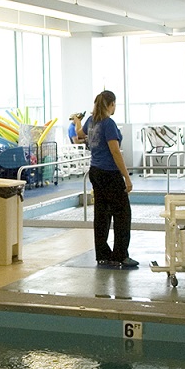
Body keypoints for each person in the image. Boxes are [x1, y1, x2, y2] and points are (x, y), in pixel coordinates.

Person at [76, 91, 137, 268]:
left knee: (101, 215)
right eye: (114, 104)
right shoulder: (108, 124)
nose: (115, 107)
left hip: (95, 171)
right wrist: (127, 177)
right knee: (122, 215)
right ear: (110, 104)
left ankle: (102, 254)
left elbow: (80, 133)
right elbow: (115, 151)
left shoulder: (91, 121)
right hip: (110, 173)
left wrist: (77, 121)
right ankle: (120, 255)